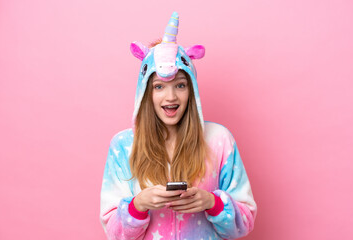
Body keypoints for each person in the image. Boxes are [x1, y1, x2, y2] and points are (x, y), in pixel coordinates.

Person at [100, 12, 257, 240]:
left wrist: (212, 203)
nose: (171, 97)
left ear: (191, 89)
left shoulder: (219, 140)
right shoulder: (123, 146)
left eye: (180, 85)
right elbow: (115, 234)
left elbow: (245, 221)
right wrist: (139, 204)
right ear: (145, 92)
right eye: (159, 87)